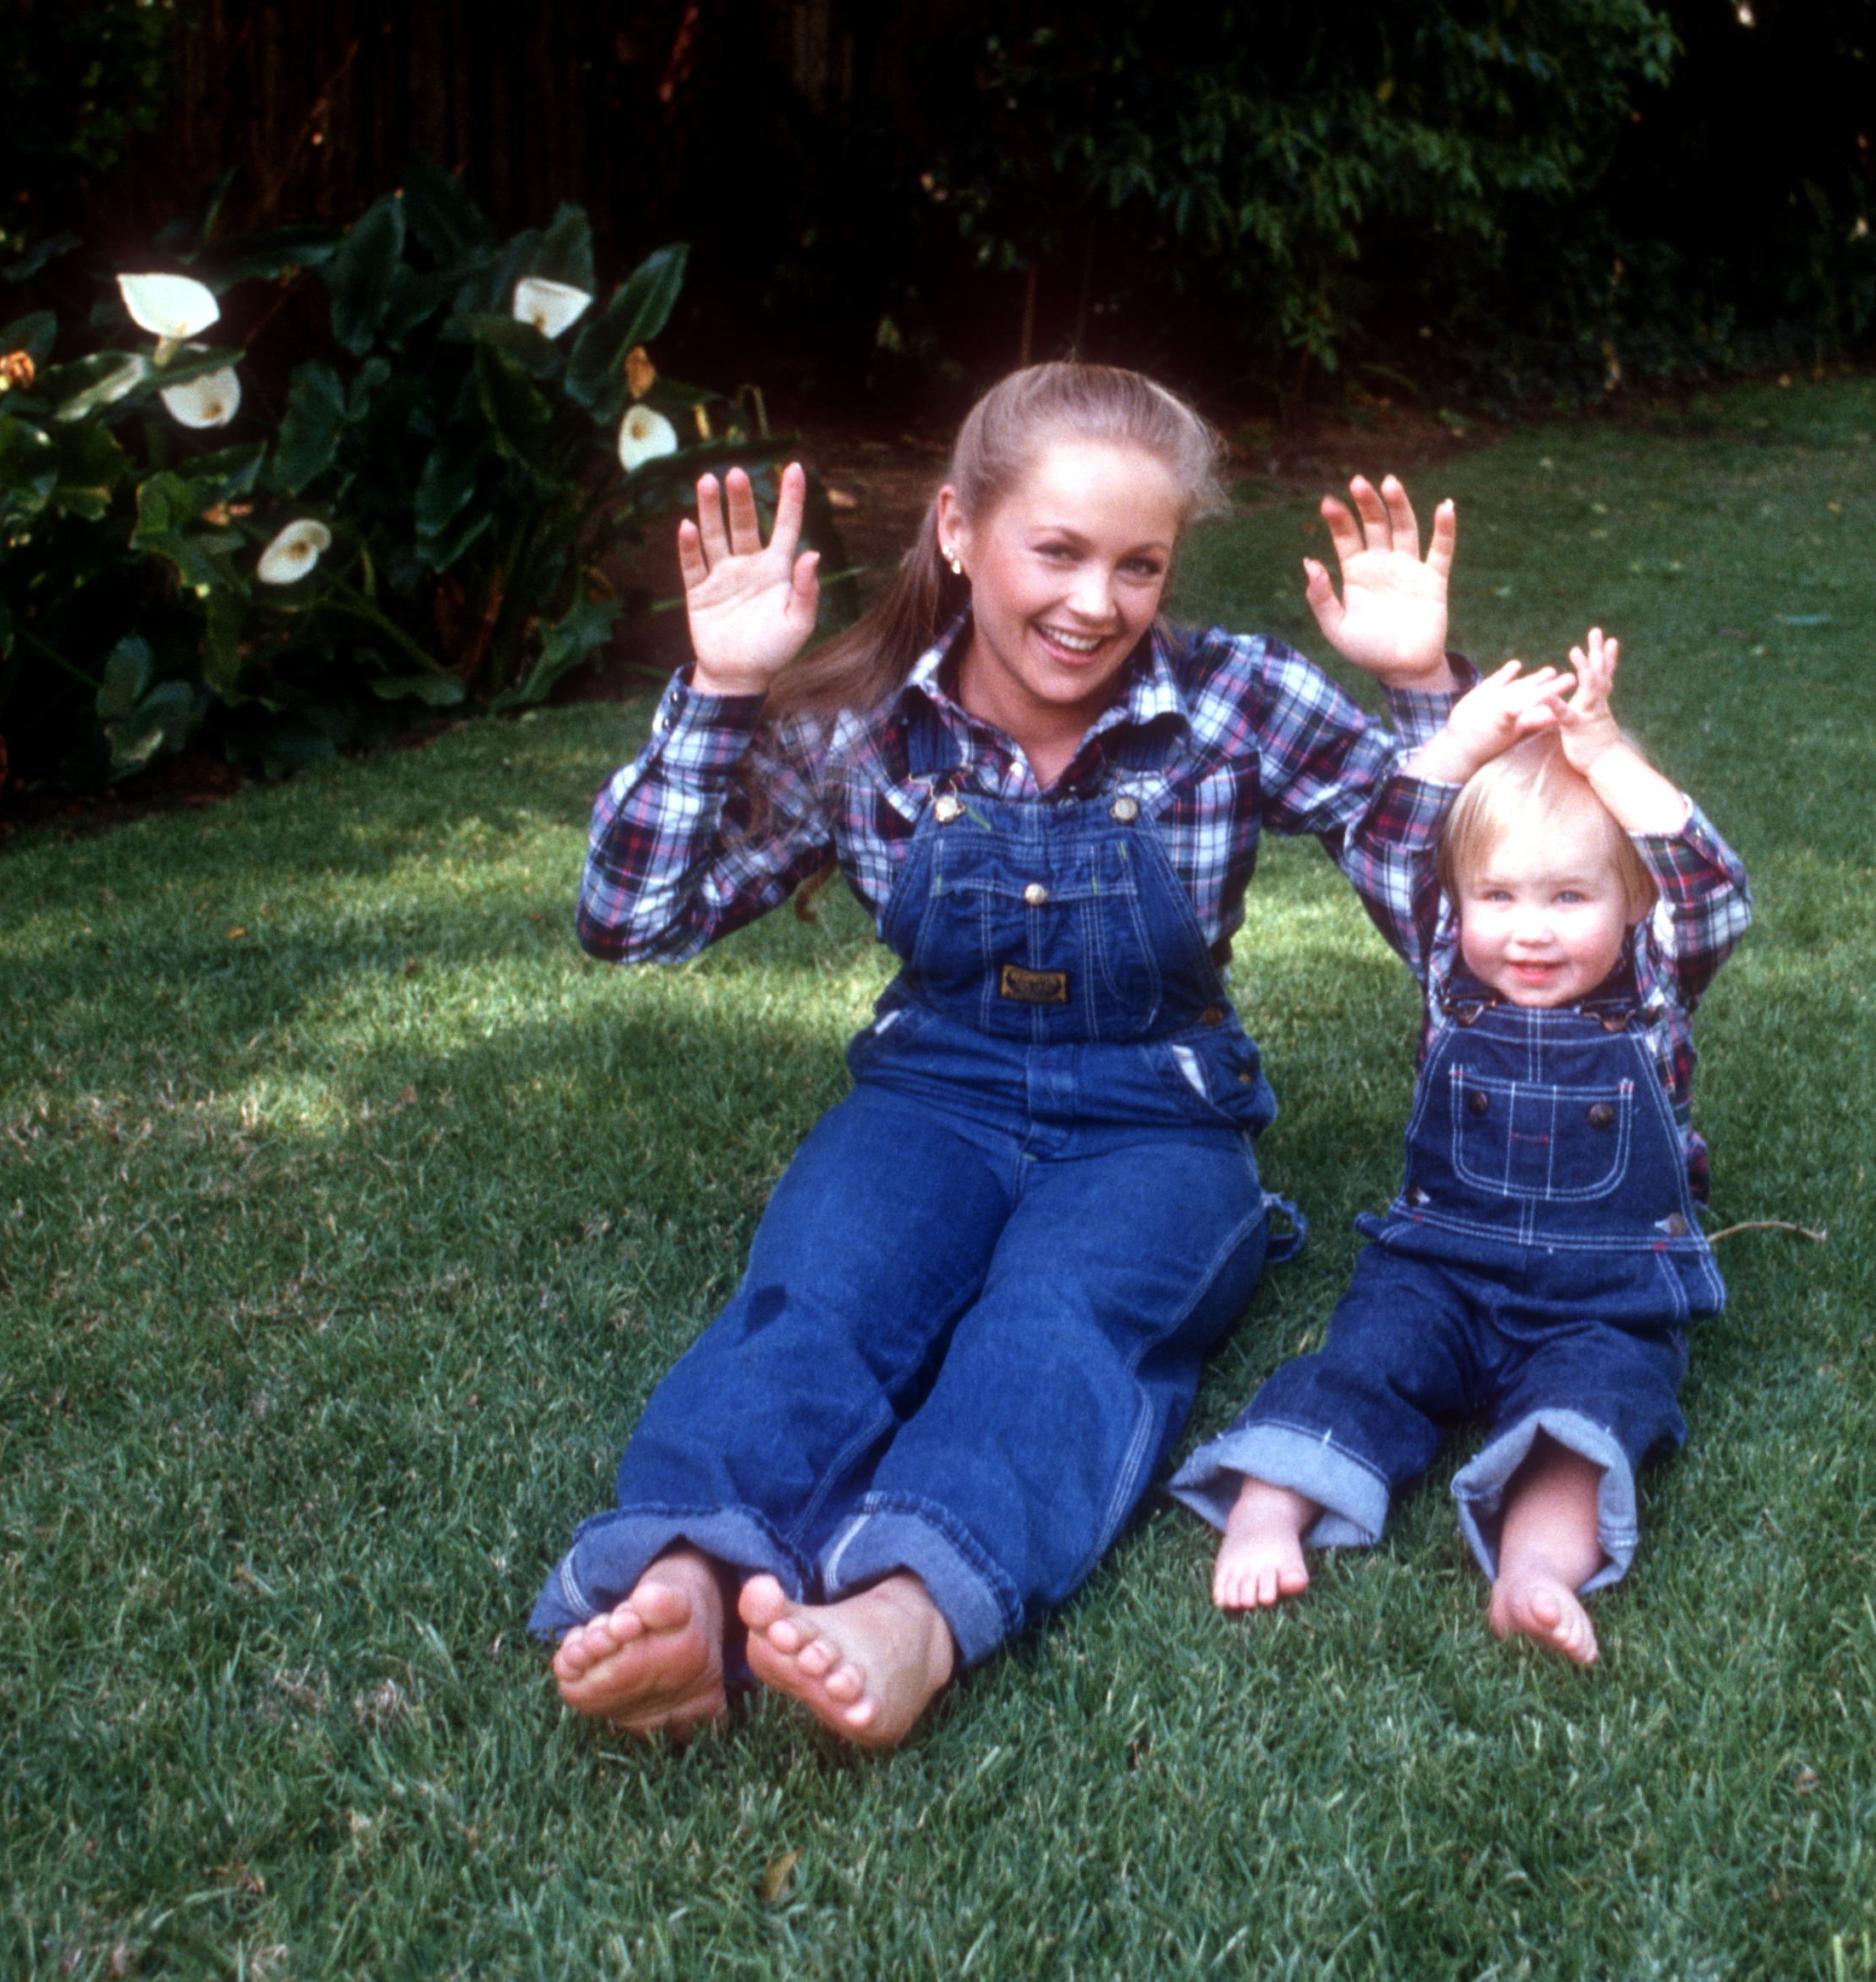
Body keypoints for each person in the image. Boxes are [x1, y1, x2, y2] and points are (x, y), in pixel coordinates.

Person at [535, 362, 1473, 1745]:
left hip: (1157, 1124)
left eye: (1138, 564)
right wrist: (719, 694)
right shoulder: (862, 726)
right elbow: (632, 919)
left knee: (1055, 1328)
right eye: (1056, 550)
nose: (1095, 603)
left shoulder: (1230, 701)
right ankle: (685, 1573)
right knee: (817, 1299)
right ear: (959, 531)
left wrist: (1421, 694)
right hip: (927, 1098)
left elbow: (1457, 896)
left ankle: (909, 1612)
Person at [1170, 629, 1751, 1666]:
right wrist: (1457, 746)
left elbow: (1713, 888)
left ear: (1633, 904)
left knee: (1593, 1413)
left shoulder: (1653, 987)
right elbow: (1391, 847)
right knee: (1363, 1362)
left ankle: (1534, 1566)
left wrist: (1607, 755)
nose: (1528, 930)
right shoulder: (1450, 974)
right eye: (1498, 896)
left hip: (1606, 1289)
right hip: (1438, 1265)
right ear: (1460, 902)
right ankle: (1269, 1505)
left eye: (1570, 896)